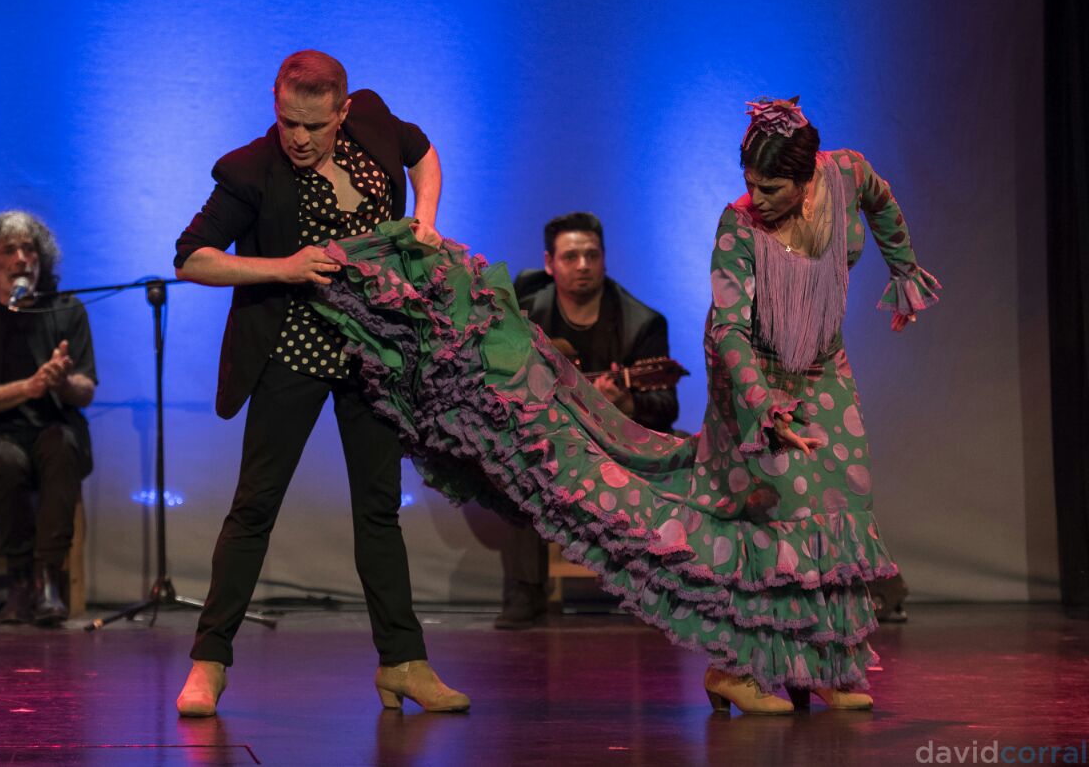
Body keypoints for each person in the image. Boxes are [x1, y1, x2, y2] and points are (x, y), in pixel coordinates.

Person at [309, 96, 937, 715]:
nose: (758, 198)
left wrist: (904, 269)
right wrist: (760, 402)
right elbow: (729, 332)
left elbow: (880, 202)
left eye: (771, 187)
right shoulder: (738, 226)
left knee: (838, 503)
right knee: (778, 514)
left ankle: (823, 666)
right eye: (750, 183)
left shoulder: (847, 172)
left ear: (807, 177)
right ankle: (737, 668)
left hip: (823, 371)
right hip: (754, 378)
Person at [170, 50, 468, 717]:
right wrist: (282, 268)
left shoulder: (375, 126)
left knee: (378, 509)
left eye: (313, 125)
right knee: (256, 506)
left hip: (373, 351)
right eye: (287, 123)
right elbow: (192, 258)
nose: (298, 139)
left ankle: (403, 663)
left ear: (343, 113)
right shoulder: (250, 169)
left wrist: (426, 218)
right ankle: (208, 663)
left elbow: (423, 153)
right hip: (293, 348)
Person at [496, 212, 678, 629]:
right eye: (571, 256)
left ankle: (654, 590)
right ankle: (526, 592)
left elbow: (667, 406)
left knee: (677, 451)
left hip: (616, 448)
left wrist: (625, 406)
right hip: (548, 445)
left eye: (592, 255)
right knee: (511, 458)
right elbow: (504, 385)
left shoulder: (643, 323)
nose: (582, 265)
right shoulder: (526, 316)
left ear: (604, 260)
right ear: (549, 263)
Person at [0, 210, 96, 627]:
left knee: (62, 447)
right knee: (7, 460)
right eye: (8, 251)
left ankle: (48, 581)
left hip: (52, 429)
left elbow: (86, 390)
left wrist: (61, 383)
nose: (21, 259)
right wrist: (27, 387)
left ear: (41, 260)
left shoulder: (67, 310)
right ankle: (20, 580)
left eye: (29, 249)